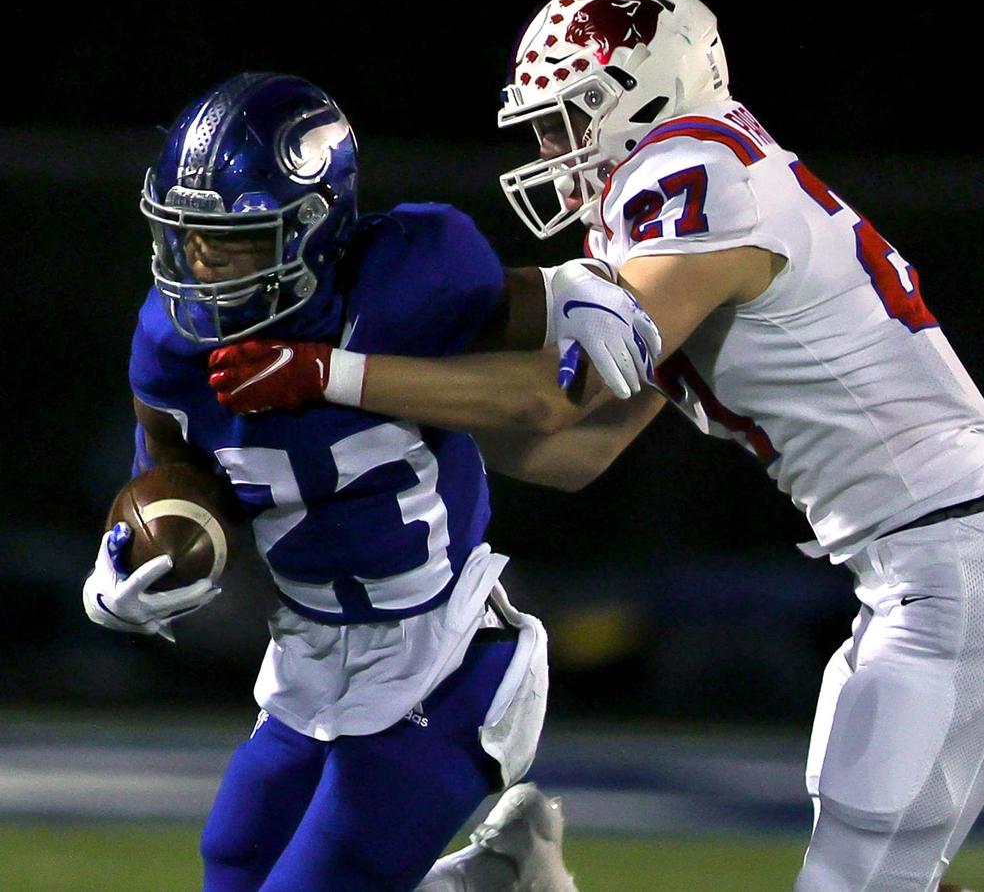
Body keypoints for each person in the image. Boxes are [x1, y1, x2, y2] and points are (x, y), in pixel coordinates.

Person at [201, 0, 984, 891]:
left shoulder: (699, 172)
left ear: (646, 91)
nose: (554, 149)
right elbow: (572, 453)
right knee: (889, 876)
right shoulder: (688, 213)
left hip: (959, 563)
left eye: (570, 118)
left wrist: (341, 368)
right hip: (928, 566)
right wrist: (395, 403)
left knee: (859, 879)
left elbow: (561, 396)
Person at [79, 71, 661, 891]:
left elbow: (530, 301)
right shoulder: (171, 345)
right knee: (234, 861)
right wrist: (125, 567)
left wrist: (578, 289)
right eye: (189, 237)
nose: (202, 265)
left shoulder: (410, 274)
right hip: (307, 661)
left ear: (316, 229)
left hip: (447, 657)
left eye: (233, 241)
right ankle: (498, 880)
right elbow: (172, 475)